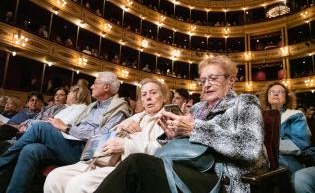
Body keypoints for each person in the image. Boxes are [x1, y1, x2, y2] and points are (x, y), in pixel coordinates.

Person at [94, 55, 268, 193]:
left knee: (136, 164)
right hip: (188, 168)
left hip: (223, 178)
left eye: (213, 78)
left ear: (231, 80)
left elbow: (250, 148)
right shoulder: (197, 108)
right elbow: (186, 149)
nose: (206, 85)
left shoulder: (244, 102)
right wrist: (173, 135)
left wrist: (195, 129)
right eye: (203, 80)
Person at [0, 71, 132, 193]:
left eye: (95, 83)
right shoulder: (93, 106)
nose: (92, 86)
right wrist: (66, 129)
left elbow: (102, 136)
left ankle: (2, 163)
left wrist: (67, 127)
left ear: (106, 87)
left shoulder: (119, 109)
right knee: (31, 150)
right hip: (70, 143)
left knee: (40, 127)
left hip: (86, 151)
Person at [44, 78, 168, 193]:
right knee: (54, 178)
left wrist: (126, 145)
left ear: (164, 97)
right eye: (144, 94)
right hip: (102, 159)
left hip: (124, 167)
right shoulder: (136, 117)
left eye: (153, 93)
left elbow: (164, 150)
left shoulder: (169, 119)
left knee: (78, 185)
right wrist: (121, 128)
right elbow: (106, 136)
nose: (148, 98)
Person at [261, 82, 315, 193]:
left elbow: (299, 144)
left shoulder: (295, 115)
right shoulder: (260, 116)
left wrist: (265, 146)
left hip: (289, 159)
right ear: (267, 97)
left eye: (280, 92)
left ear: (286, 98)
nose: (276, 94)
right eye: (272, 92)